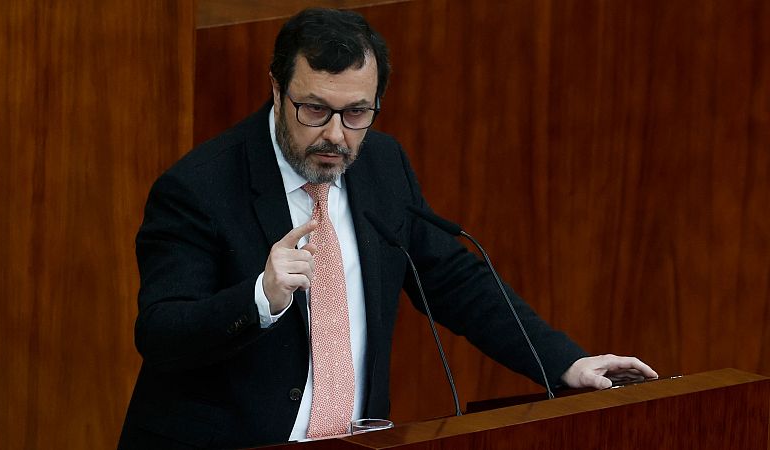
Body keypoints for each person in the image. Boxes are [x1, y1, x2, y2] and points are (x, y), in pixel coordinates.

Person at [118, 7, 657, 450]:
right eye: (314, 110)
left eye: (357, 113)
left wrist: (565, 362)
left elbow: (453, 281)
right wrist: (261, 297)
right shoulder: (200, 188)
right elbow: (162, 335)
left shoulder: (381, 165)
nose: (335, 135)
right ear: (277, 90)